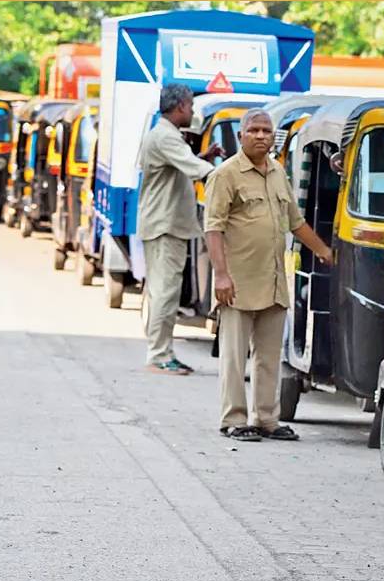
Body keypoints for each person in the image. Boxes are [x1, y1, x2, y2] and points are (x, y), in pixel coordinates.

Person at [204, 108, 334, 442]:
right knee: (235, 358)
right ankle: (233, 419)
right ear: (241, 136)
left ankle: (265, 418)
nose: (262, 136)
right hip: (237, 283)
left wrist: (323, 250)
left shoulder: (277, 172)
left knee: (269, 357)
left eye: (266, 131)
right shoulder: (226, 175)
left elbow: (295, 221)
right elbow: (213, 229)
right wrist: (221, 275)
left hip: (273, 281)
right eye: (254, 131)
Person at [138, 84, 223, 375]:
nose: (192, 111)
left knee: (167, 292)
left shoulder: (167, 136)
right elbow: (197, 170)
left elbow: (188, 164)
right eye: (190, 106)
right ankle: (159, 355)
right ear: (179, 108)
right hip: (164, 225)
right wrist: (232, 175)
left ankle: (163, 352)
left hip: (166, 224)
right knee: (165, 292)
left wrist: (204, 157)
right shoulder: (165, 137)